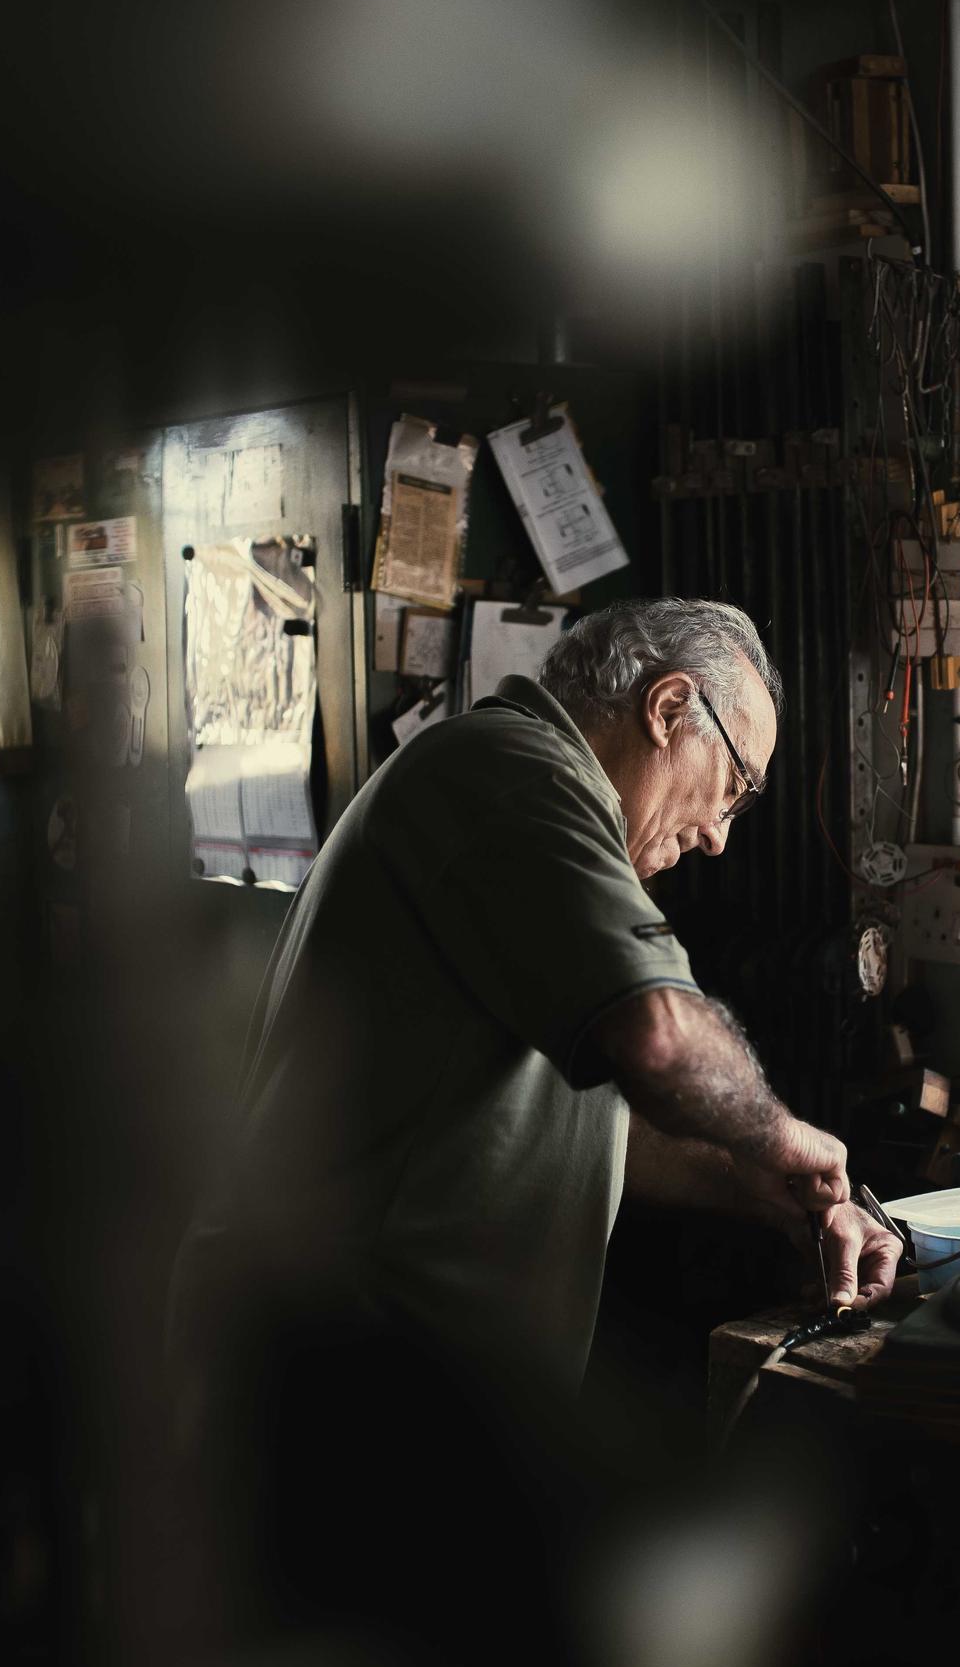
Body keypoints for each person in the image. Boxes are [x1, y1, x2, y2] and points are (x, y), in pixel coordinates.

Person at [166, 597, 900, 1420]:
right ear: (666, 708)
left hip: (389, 1381)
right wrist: (778, 1131)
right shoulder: (516, 771)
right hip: (338, 1381)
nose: (718, 835)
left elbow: (598, 1128)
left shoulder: (507, 789)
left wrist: (773, 1189)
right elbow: (659, 1037)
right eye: (733, 787)